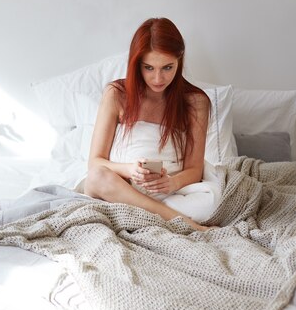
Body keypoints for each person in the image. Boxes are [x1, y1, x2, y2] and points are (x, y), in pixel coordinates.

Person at [84, 17, 213, 231]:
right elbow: (95, 162)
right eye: (149, 68)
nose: (158, 78)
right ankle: (189, 226)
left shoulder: (196, 102)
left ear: (179, 61)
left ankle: (152, 214)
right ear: (137, 64)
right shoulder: (117, 94)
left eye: (167, 67)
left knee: (208, 204)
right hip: (122, 186)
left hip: (170, 191)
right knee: (96, 177)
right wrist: (130, 170)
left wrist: (172, 183)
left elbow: (194, 168)